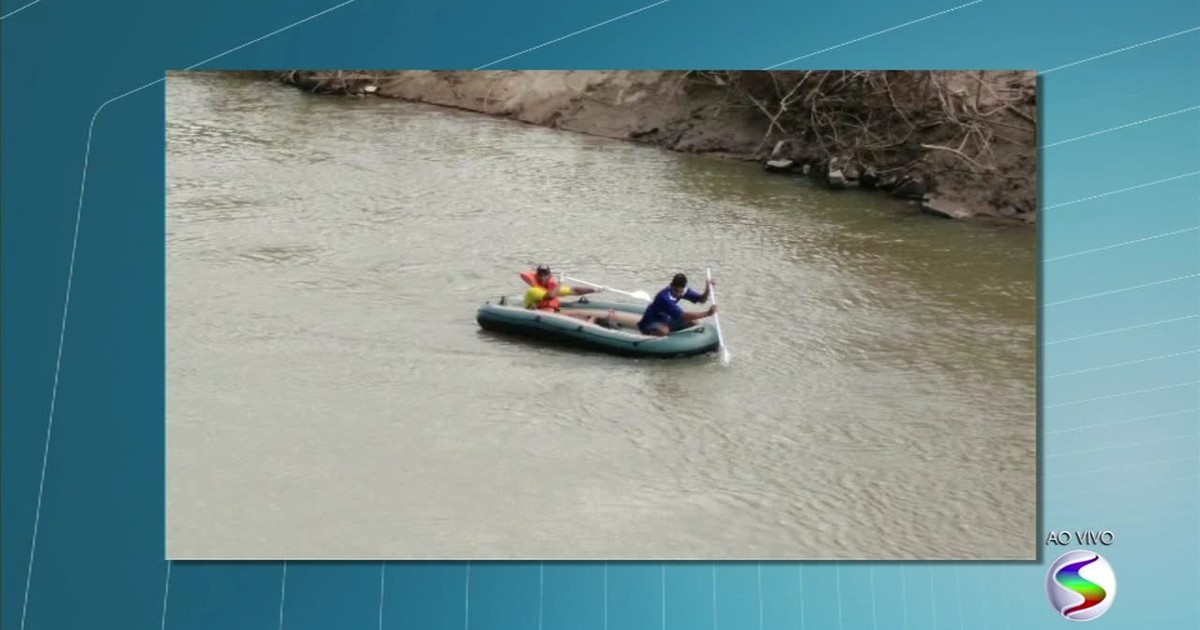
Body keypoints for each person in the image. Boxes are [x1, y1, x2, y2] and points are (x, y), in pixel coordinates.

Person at [637, 273, 717, 336]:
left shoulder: (684, 291)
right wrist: (708, 313)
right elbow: (684, 315)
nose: (678, 294)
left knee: (694, 322)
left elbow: (701, 300)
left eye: (680, 292)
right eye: (675, 291)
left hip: (667, 319)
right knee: (664, 331)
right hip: (652, 320)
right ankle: (650, 335)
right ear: (671, 286)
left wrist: (708, 288)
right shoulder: (664, 297)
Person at [520, 264, 602, 311]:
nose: (543, 277)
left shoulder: (552, 288)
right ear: (537, 276)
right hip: (538, 313)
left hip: (551, 312)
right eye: (541, 274)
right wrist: (560, 282)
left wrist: (595, 290)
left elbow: (575, 290)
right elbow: (550, 296)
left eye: (545, 274)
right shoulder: (534, 291)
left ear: (550, 275)